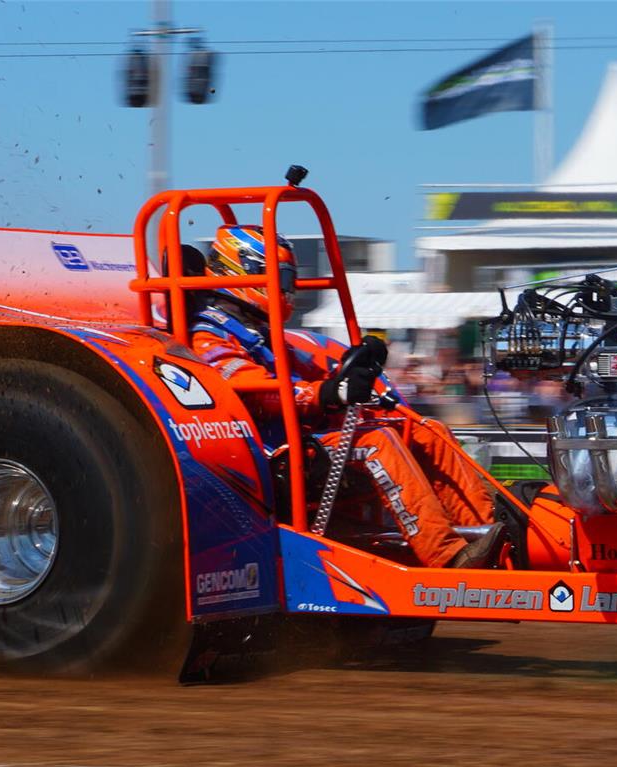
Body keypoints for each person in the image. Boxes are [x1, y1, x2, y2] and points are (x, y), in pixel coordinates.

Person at [185, 225, 503, 569]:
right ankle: (446, 557)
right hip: (270, 454)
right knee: (379, 442)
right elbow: (257, 391)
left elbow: (312, 374)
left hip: (304, 438)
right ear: (245, 271)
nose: (287, 289)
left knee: (428, 431)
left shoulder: (260, 333)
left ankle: (487, 536)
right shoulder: (209, 336)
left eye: (289, 279)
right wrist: (327, 392)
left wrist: (351, 372)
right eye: (281, 279)